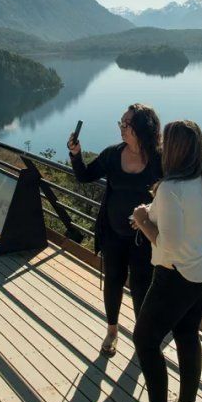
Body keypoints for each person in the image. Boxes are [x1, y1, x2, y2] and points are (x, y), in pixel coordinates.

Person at [126, 120, 202, 402]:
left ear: (173, 148)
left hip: (176, 274)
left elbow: (165, 244)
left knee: (144, 339)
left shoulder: (170, 189)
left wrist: (142, 219)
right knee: (186, 334)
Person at [68, 104, 162, 358]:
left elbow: (171, 196)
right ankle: (112, 331)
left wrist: (148, 213)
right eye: (120, 123)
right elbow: (85, 176)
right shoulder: (112, 154)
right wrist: (76, 155)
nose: (121, 128)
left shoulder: (159, 160)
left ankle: (141, 336)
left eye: (126, 124)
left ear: (142, 127)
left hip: (144, 238)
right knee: (113, 281)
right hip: (113, 233)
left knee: (142, 286)